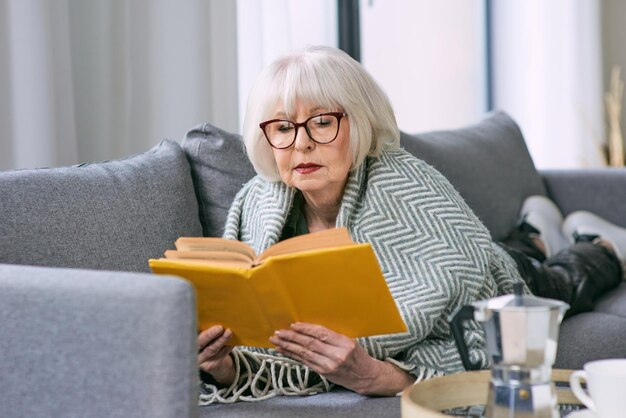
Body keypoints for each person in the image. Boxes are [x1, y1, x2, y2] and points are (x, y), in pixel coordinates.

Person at [196, 46, 624, 404]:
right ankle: (534, 232)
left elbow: (473, 303)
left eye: (322, 122)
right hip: (480, 246)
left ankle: (599, 245)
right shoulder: (257, 202)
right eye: (284, 127)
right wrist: (226, 366)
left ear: (358, 121)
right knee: (517, 246)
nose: (302, 142)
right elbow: (259, 350)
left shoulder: (406, 186)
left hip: (497, 277)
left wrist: (374, 373)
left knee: (561, 280)